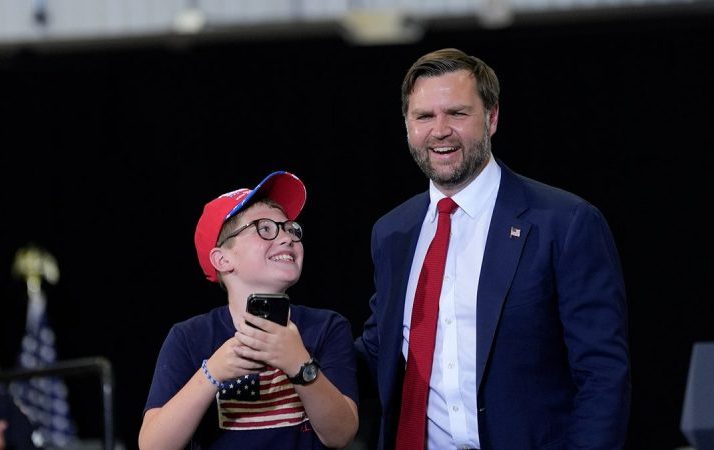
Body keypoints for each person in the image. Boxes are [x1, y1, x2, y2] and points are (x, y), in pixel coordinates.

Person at [355, 48, 631, 449]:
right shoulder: (392, 232)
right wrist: (298, 350)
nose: (440, 130)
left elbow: (602, 374)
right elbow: (378, 352)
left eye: (458, 113)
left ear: (492, 118)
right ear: (407, 125)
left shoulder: (565, 222)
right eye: (425, 116)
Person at [139, 171, 359, 450]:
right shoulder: (190, 337)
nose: (288, 238)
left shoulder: (326, 326)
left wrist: (299, 364)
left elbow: (341, 434)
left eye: (291, 228)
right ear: (222, 258)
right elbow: (153, 445)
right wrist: (212, 374)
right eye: (265, 229)